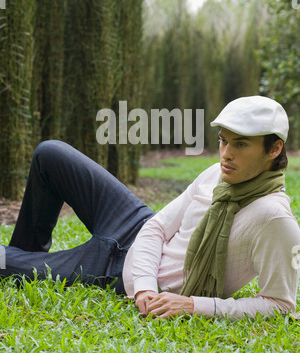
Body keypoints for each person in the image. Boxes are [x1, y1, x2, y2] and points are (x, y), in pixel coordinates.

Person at [1, 96, 300, 320]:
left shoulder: (274, 219)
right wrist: (143, 285)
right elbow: (156, 226)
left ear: (273, 149)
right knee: (49, 154)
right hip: (134, 224)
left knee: (3, 261)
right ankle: (28, 256)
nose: (226, 154)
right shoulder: (217, 173)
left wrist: (193, 304)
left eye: (241, 145)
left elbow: (279, 303)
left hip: (114, 271)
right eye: (223, 141)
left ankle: (19, 263)